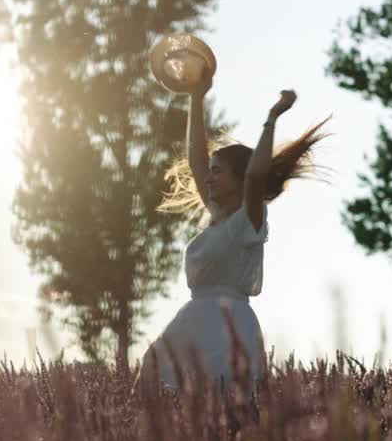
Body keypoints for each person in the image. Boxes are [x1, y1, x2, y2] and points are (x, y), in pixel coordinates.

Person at [140, 72, 328, 392]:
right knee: (150, 373)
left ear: (239, 179)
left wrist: (271, 118)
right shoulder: (217, 216)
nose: (209, 178)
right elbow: (195, 158)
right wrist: (196, 98)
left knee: (222, 401)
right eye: (210, 172)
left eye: (218, 173)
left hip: (229, 327)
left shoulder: (247, 222)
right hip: (193, 318)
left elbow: (256, 177)